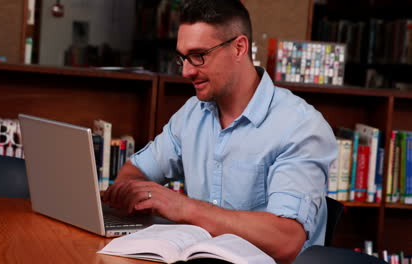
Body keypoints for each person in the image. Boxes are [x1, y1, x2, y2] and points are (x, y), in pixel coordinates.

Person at [103, 0, 337, 263]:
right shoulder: (192, 113)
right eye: (182, 57)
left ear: (239, 47)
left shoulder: (300, 126)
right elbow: (132, 175)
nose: (186, 71)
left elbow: (287, 240)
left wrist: (184, 207)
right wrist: (138, 195)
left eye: (198, 55)